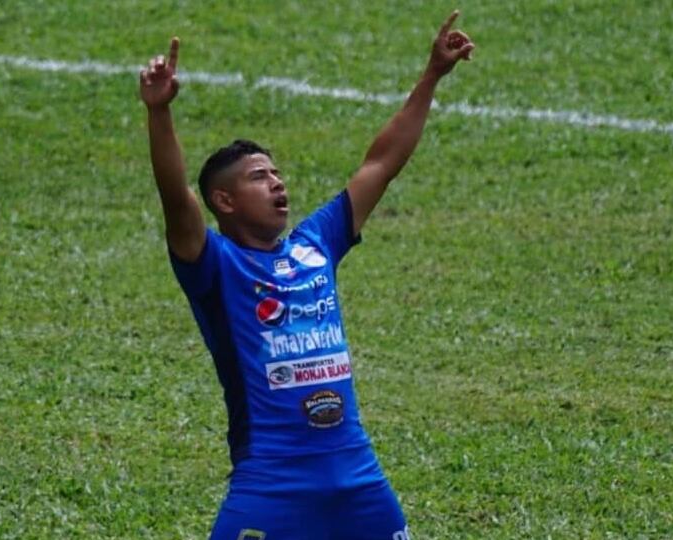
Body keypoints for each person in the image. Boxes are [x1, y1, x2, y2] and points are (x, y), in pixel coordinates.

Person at [140, 10, 474, 540]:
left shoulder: (315, 244)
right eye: (259, 177)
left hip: (358, 479)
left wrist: (432, 75)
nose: (277, 183)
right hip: (270, 484)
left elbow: (381, 164)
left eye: (276, 173)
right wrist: (160, 113)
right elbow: (175, 197)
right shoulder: (214, 266)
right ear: (223, 201)